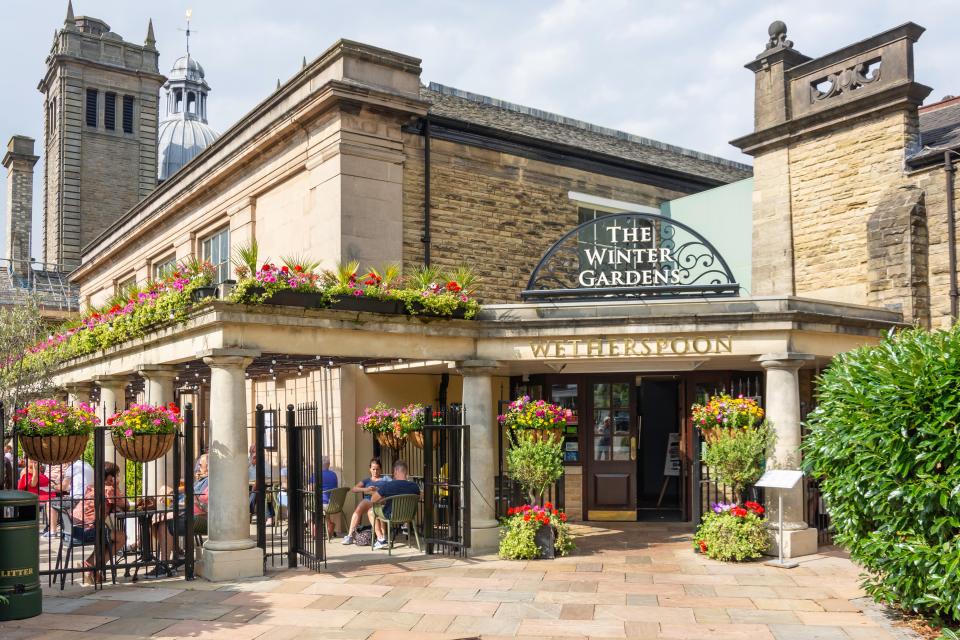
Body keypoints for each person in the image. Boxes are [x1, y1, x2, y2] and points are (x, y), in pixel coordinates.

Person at [71, 462, 128, 584]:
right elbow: (125, 506)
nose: (117, 477)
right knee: (121, 537)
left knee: (107, 536)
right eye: (115, 475)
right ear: (109, 477)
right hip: (88, 530)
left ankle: (89, 566)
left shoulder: (92, 487)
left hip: (73, 529)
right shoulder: (109, 490)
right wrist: (117, 487)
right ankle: (93, 568)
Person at [370, 460, 421, 550]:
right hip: (409, 516)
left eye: (394, 472)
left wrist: (383, 499)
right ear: (406, 471)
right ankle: (403, 529)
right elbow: (419, 497)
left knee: (371, 511)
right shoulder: (414, 486)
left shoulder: (389, 486)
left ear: (396, 471)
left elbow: (373, 499)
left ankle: (380, 538)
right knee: (382, 509)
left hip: (391, 516)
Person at [341, 457, 390, 545]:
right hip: (368, 501)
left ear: (381, 469)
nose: (375, 472)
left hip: (381, 501)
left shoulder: (385, 479)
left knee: (363, 505)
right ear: (370, 469)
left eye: (377, 469)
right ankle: (350, 536)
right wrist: (366, 489)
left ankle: (381, 537)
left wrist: (379, 490)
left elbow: (394, 486)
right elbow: (354, 489)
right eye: (373, 469)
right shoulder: (367, 480)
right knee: (359, 509)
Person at [319, 455, 339, 538]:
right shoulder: (334, 474)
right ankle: (328, 524)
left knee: (307, 507)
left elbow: (310, 489)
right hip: (335, 503)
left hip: (323, 504)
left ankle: (314, 528)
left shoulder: (317, 474)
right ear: (329, 464)